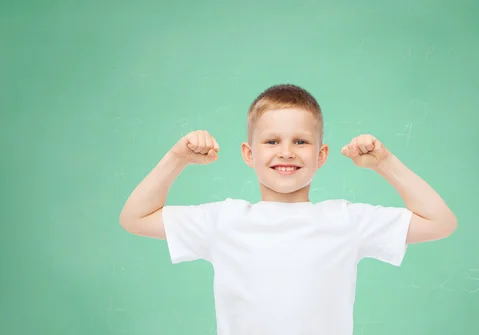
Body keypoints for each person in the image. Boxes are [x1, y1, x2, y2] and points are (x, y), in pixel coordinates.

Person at [119, 84, 457, 335]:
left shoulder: (346, 220)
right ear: (248, 154)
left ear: (321, 155)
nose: (286, 152)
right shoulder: (223, 220)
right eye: (271, 141)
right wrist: (177, 159)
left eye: (300, 141)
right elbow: (134, 217)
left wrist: (385, 163)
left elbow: (440, 222)